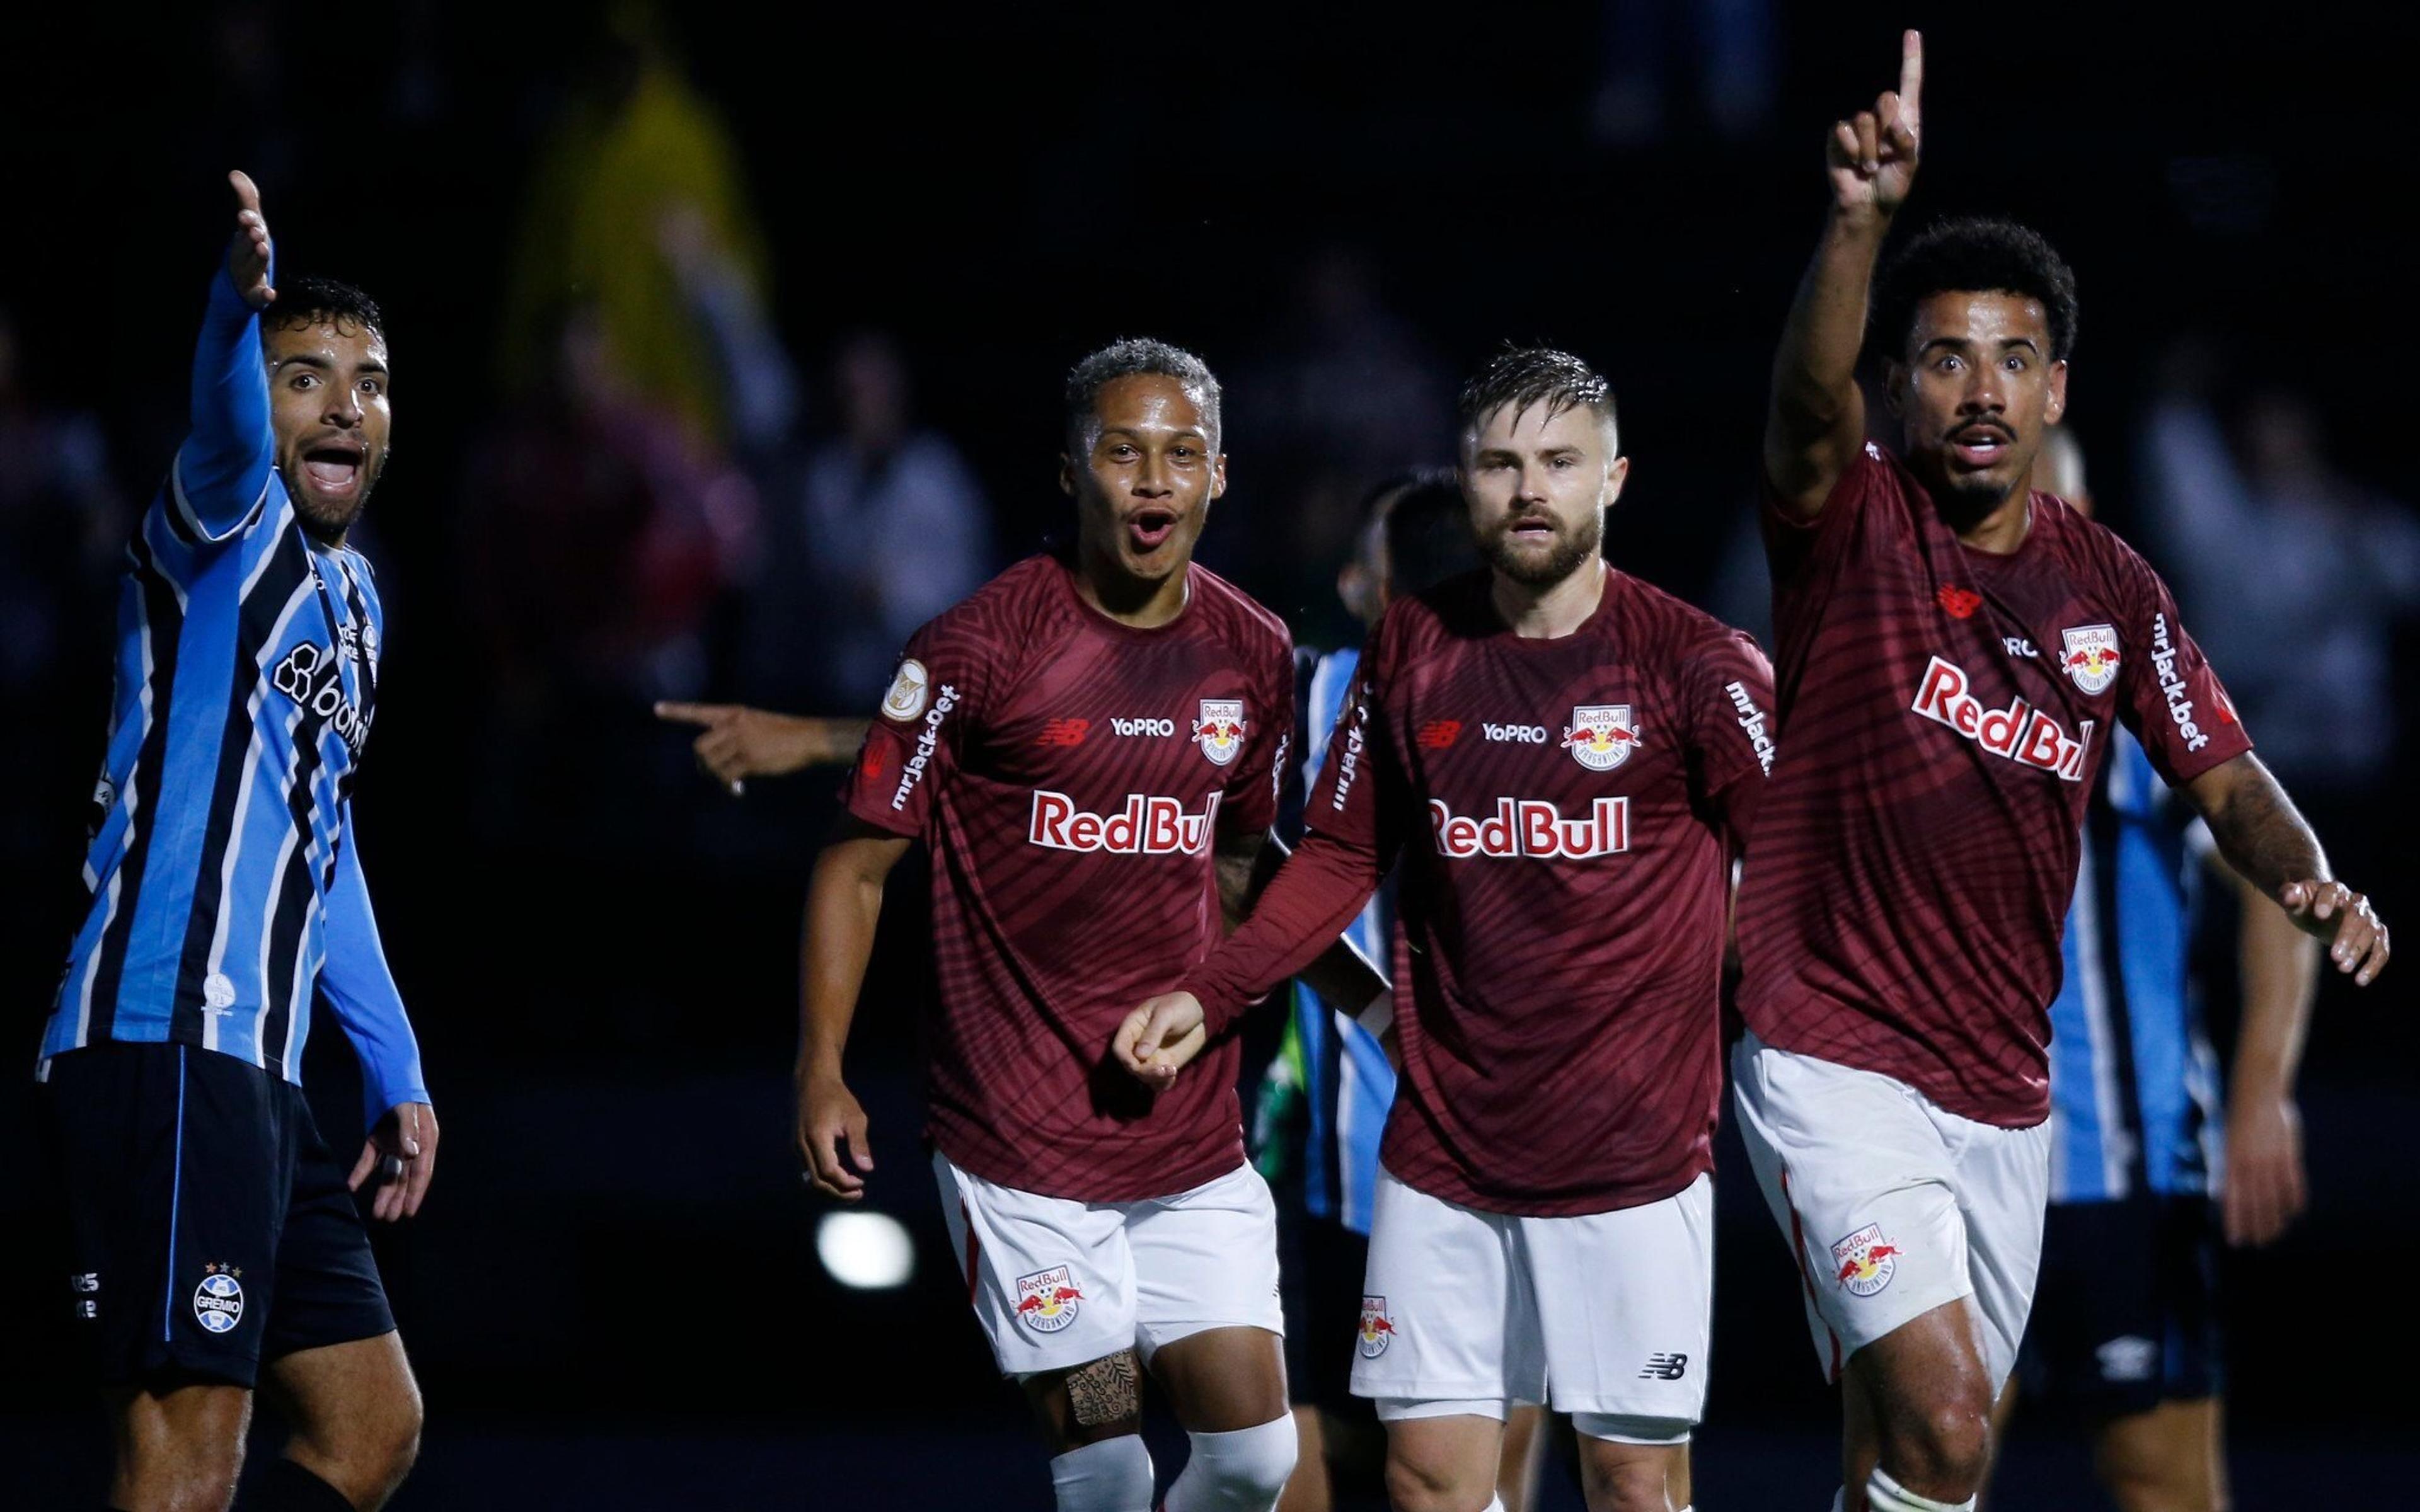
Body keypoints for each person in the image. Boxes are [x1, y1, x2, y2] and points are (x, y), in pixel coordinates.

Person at [1732, 33, 2388, 1512]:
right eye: (1947, 359)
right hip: (1831, 1055)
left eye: (2012, 361)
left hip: (2008, 1097)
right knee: (1957, 1420)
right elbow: (1798, 412)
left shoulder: (2115, 590)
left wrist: (2309, 876)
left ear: (2055, 392)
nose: (1979, 390)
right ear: (1901, 389)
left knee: (1919, 1469)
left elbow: (2227, 776)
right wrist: (1859, 222)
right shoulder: (1854, 528)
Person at [1117, 346, 1777, 1512]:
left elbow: (1805, 868)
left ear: (1614, 478)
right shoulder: (1414, 648)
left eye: (1559, 463)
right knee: (1428, 1481)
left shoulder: (1701, 665)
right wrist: (1214, 994)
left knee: (1630, 1485)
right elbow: (1338, 855)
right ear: (1464, 481)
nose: (1530, 489)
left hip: (1631, 1158)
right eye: (1502, 463)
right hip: (1442, 1153)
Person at [797, 339, 1384, 1512]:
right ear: (1073, 474)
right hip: (1017, 1144)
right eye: (1124, 453)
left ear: (1219, 476)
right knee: (1110, 1472)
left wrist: (1380, 1007)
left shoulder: (1253, 650)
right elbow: (856, 870)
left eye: (1181, 456)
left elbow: (1241, 868)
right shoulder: (977, 646)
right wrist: (822, 1070)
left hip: (1185, 1137)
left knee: (1256, 1463)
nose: (1154, 481)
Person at [38, 173, 434, 1512]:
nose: (343, 405)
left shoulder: (360, 602)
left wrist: (396, 1067)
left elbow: (328, 845)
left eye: (369, 382)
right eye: (305, 376)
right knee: (183, 1463)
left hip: (261, 1075)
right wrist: (228, 308)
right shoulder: (226, 519)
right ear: (259, 408)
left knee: (373, 1429)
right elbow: (217, 420)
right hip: (160, 1044)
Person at [1989, 432, 2321, 1512]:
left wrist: (2263, 1087)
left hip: (2121, 1169)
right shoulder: (1905, 695)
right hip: (1944, 1165)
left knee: (2160, 1482)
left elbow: (2277, 885)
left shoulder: (2143, 691)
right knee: (1920, 1467)